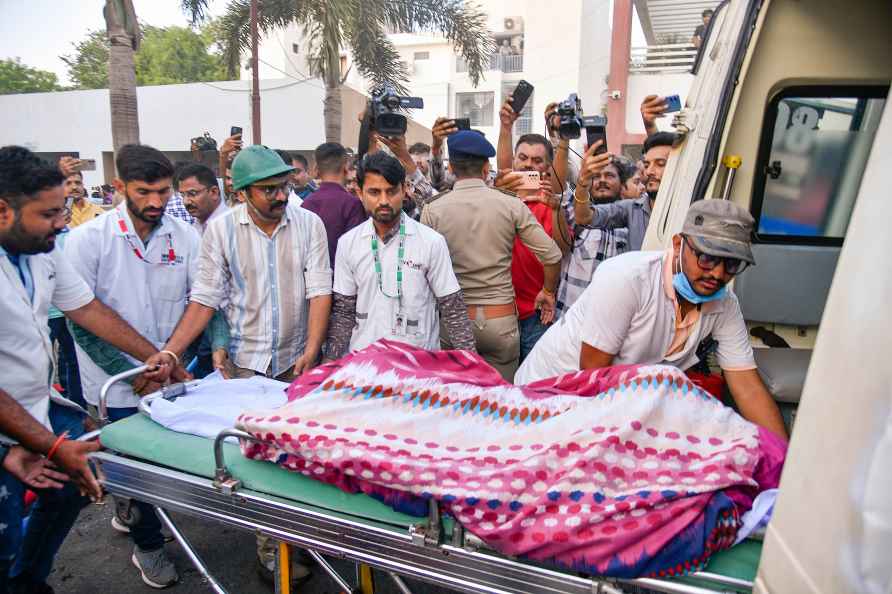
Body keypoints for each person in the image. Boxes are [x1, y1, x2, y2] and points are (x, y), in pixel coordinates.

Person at [146, 145, 332, 585]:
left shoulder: (309, 223)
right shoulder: (222, 230)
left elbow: (320, 289)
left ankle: (297, 534)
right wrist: (173, 352)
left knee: (297, 453)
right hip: (246, 362)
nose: (281, 197)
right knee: (256, 457)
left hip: (296, 359)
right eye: (269, 190)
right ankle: (271, 549)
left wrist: (312, 348)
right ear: (242, 191)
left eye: (284, 187)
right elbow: (206, 297)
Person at [0, 145, 181, 593]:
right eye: (49, 214)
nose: (62, 223)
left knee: (66, 487)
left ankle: (28, 579)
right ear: (3, 211)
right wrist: (46, 443)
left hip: (32, 406)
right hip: (10, 416)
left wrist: (153, 356)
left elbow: (86, 308)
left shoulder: (41, 250)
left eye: (62, 210)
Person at [516, 199, 788, 440]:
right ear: (679, 244)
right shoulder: (627, 279)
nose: (717, 274)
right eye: (706, 258)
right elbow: (593, 378)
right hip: (550, 396)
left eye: (731, 265)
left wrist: (784, 464)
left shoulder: (725, 304)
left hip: (619, 400)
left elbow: (748, 388)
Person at [66, 144, 207, 589]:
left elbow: (199, 304)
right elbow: (82, 323)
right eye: (144, 191)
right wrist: (133, 373)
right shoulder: (88, 240)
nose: (156, 202)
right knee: (130, 461)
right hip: (116, 382)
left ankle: (133, 508)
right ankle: (147, 545)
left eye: (164, 192)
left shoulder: (186, 237)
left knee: (161, 464)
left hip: (170, 373)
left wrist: (172, 361)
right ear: (121, 187)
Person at [420, 130, 562, 381]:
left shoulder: (433, 209)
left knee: (456, 403)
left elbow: (423, 271)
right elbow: (552, 255)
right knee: (500, 406)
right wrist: (548, 292)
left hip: (454, 322)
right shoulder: (509, 203)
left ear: (451, 167)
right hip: (501, 322)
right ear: (487, 168)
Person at [324, 152, 475, 361]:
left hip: (419, 365)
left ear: (405, 190)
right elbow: (343, 312)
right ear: (360, 193)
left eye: (391, 191)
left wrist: (471, 364)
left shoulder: (431, 241)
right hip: (364, 364)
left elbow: (453, 309)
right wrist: (329, 363)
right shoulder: (349, 243)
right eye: (375, 192)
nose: (384, 200)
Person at [497, 98, 573, 360]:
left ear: (547, 167)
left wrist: (554, 209)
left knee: (534, 387)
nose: (529, 165)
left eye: (538, 160)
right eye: (523, 158)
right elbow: (503, 168)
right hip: (500, 313)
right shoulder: (500, 198)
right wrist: (506, 127)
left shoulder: (554, 202)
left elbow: (563, 250)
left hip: (538, 313)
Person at [573, 132, 676, 251]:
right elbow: (584, 218)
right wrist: (583, 180)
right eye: (647, 165)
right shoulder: (630, 209)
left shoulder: (690, 205)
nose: (649, 171)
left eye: (660, 164)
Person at [555, 155, 630, 317]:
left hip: (611, 322)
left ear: (622, 184)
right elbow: (558, 188)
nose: (602, 180)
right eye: (596, 176)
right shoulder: (573, 212)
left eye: (609, 176)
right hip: (569, 321)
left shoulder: (634, 220)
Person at [174, 163, 230, 378]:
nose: (187, 201)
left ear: (214, 192)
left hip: (225, 323)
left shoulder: (229, 226)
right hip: (197, 318)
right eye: (183, 195)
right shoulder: (192, 229)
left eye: (193, 194)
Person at [300, 142, 367, 267]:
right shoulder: (352, 204)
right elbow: (357, 250)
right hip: (343, 281)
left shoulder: (306, 205)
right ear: (345, 168)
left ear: (316, 170)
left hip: (311, 281)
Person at [58, 158, 103, 228]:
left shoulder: (98, 210)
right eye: (68, 183)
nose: (74, 187)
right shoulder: (57, 212)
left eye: (77, 183)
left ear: (83, 185)